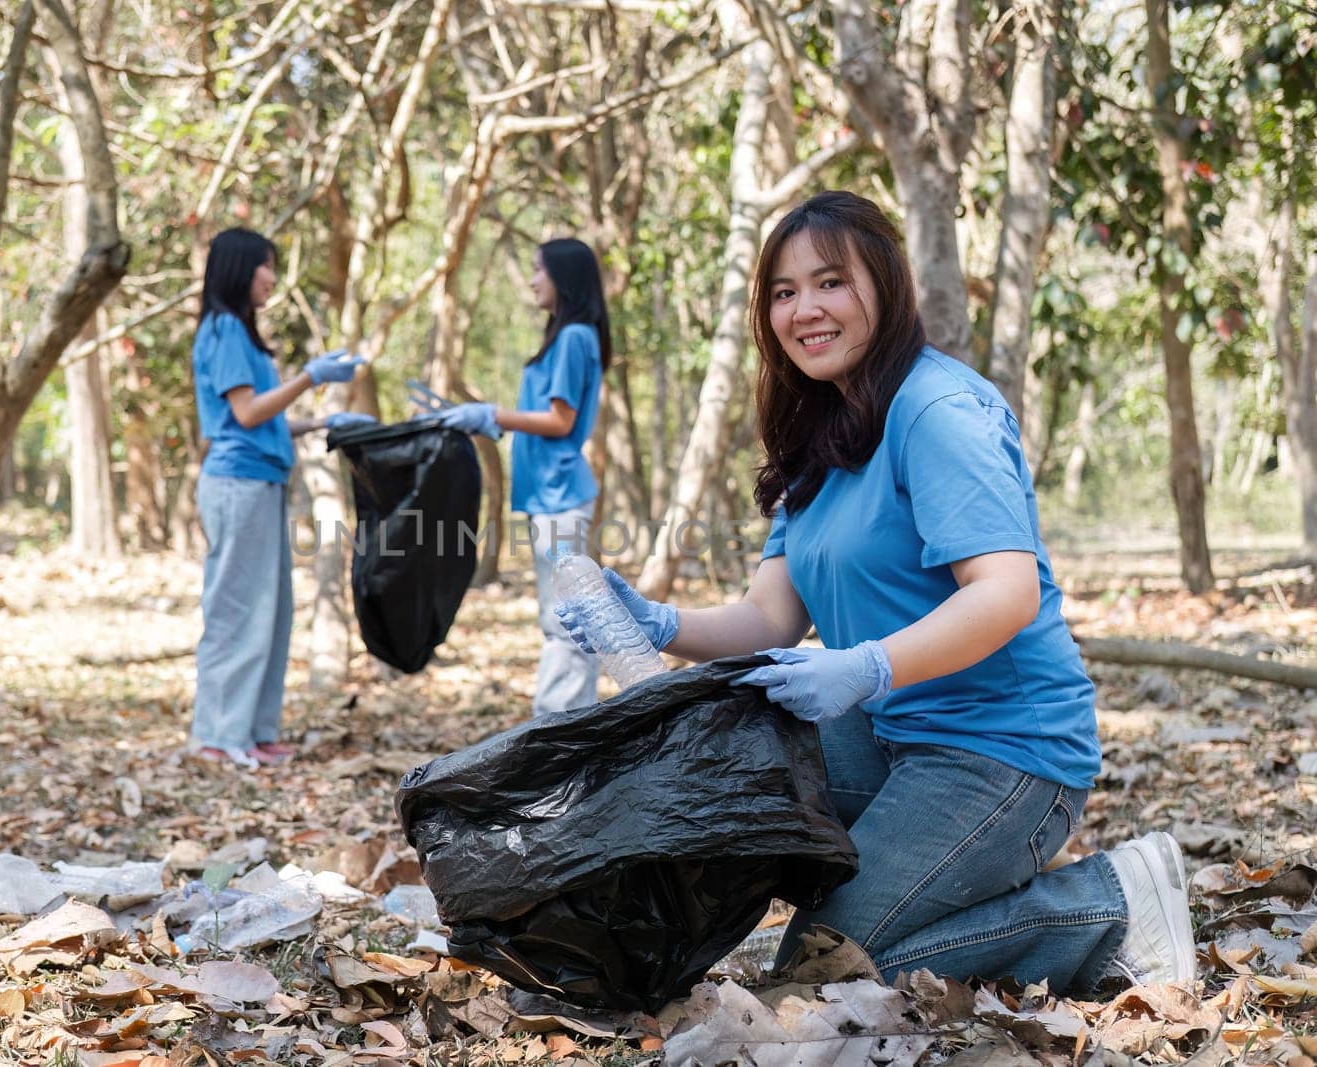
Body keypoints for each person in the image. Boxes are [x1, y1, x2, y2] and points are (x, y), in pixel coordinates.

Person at [558, 191, 1195, 994]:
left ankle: (1103, 908)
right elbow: (770, 617)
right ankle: (916, 883)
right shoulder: (819, 432)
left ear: (885, 288)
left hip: (1003, 751)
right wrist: (654, 621)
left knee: (825, 975)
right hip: (892, 735)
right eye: (784, 292)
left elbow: (1006, 593)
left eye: (830, 282)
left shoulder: (937, 410)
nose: (805, 309)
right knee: (717, 779)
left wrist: (866, 667)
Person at [189, 228, 374, 769]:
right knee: (237, 609)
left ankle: (253, 730)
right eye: (264, 266)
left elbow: (256, 417)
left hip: (263, 480)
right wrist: (310, 377)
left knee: (271, 612)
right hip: (236, 483)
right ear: (239, 269)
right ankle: (217, 735)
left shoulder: (244, 337)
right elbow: (245, 416)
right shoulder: (222, 328)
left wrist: (321, 420)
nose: (271, 276)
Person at [430, 237, 610, 717]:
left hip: (561, 493)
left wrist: (494, 414)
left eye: (539, 271)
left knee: (565, 618)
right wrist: (490, 422)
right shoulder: (565, 337)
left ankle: (556, 731)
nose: (532, 281)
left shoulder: (574, 338)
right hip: (549, 493)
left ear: (564, 278)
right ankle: (569, 725)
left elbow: (560, 422)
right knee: (564, 614)